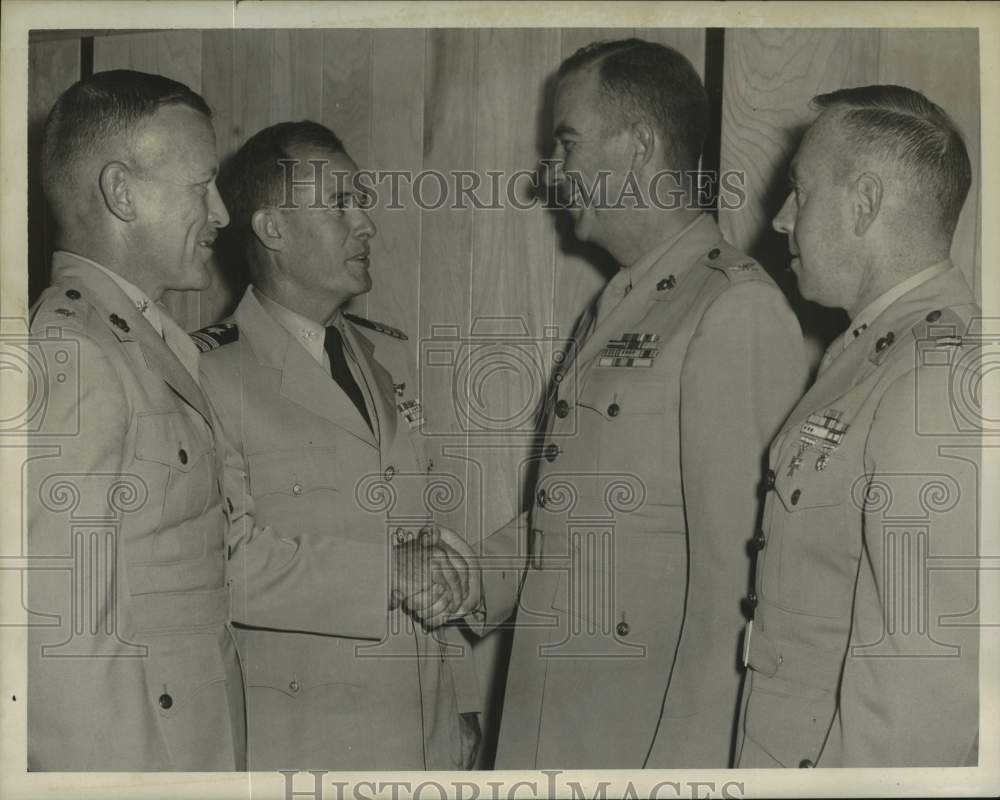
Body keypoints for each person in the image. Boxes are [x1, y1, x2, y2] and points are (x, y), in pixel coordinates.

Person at [465, 38, 807, 768]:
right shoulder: (622, 301)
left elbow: (737, 587)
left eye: (567, 144)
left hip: (635, 743)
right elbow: (580, 516)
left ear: (640, 145)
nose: (551, 176)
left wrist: (686, 774)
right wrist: (470, 576)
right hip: (552, 720)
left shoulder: (731, 307)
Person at [195, 121, 481, 770]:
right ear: (272, 230)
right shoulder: (208, 376)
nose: (366, 224)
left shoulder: (388, 356)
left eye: (363, 201)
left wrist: (459, 709)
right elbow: (220, 564)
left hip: (424, 734)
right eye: (341, 204)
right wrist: (390, 576)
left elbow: (422, 534)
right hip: (305, 742)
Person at [737, 84, 980, 768]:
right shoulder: (870, 352)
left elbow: (919, 699)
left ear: (865, 203)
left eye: (801, 193)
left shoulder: (933, 379)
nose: (782, 219)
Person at [26, 70, 243, 770]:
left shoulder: (141, 339)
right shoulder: (74, 353)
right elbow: (62, 631)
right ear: (121, 192)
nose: (221, 213)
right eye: (199, 187)